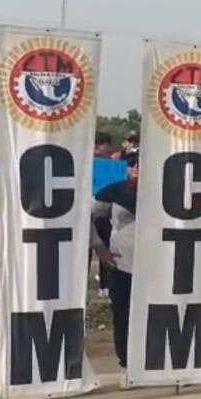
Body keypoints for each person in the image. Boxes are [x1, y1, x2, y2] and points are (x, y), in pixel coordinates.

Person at [90, 174, 137, 369]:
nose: (137, 169)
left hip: (157, 267)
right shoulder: (114, 192)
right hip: (123, 266)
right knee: (123, 315)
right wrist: (99, 248)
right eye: (133, 164)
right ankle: (127, 361)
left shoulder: (168, 188)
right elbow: (85, 215)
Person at [92, 133, 116, 296]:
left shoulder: (112, 167)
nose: (105, 158)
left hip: (105, 216)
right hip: (86, 216)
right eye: (102, 154)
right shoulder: (82, 165)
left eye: (108, 154)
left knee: (106, 247)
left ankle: (105, 284)